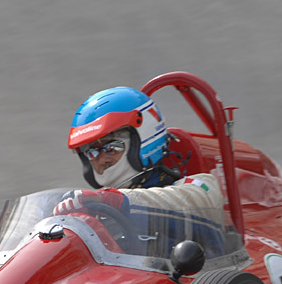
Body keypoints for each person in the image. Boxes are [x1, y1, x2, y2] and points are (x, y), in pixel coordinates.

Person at [54, 86, 224, 216]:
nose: (101, 160)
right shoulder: (96, 206)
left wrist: (117, 200)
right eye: (91, 153)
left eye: (111, 148)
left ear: (144, 141)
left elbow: (200, 196)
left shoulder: (198, 187)